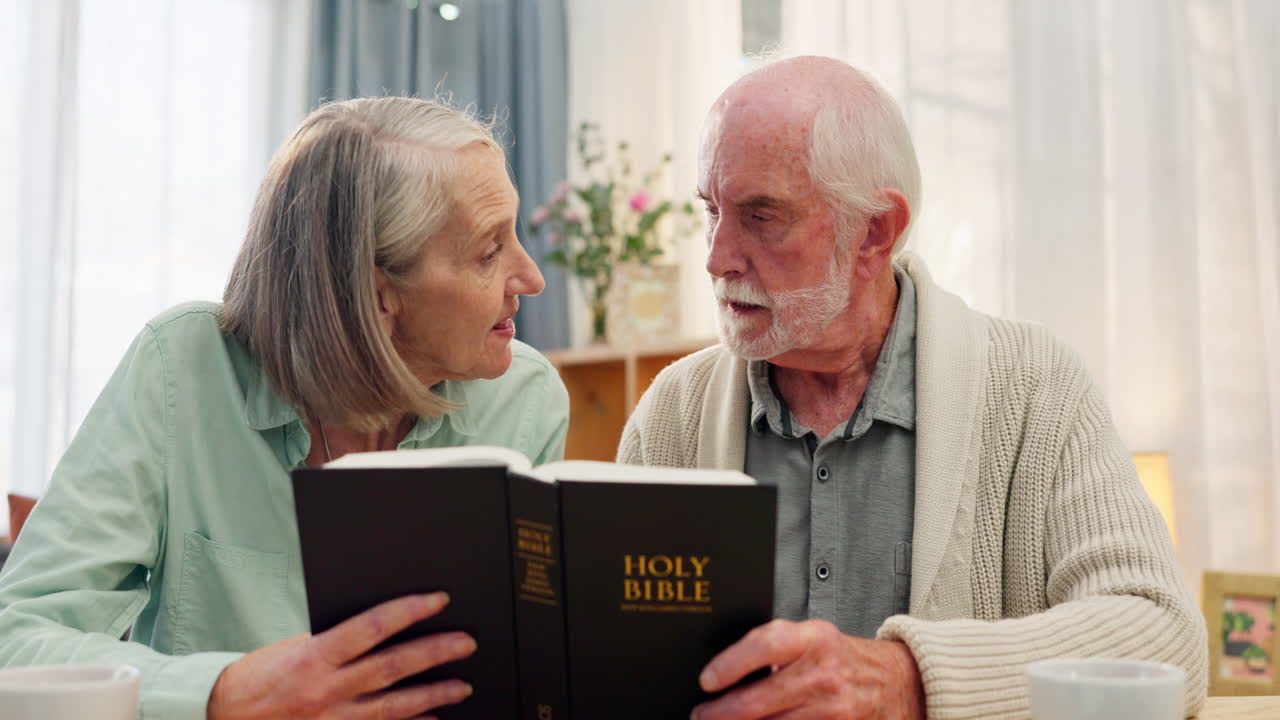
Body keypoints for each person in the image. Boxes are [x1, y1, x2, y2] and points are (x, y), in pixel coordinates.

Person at [618, 56, 1207, 719]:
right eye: (711, 210)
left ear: (874, 232)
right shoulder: (671, 412)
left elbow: (1163, 638)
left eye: (760, 217)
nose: (717, 256)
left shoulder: (1035, 387)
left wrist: (908, 680)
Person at [0, 97, 569, 719]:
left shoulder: (526, 399)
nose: (532, 277)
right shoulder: (181, 369)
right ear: (378, 294)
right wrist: (223, 693)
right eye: (489, 253)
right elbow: (16, 640)